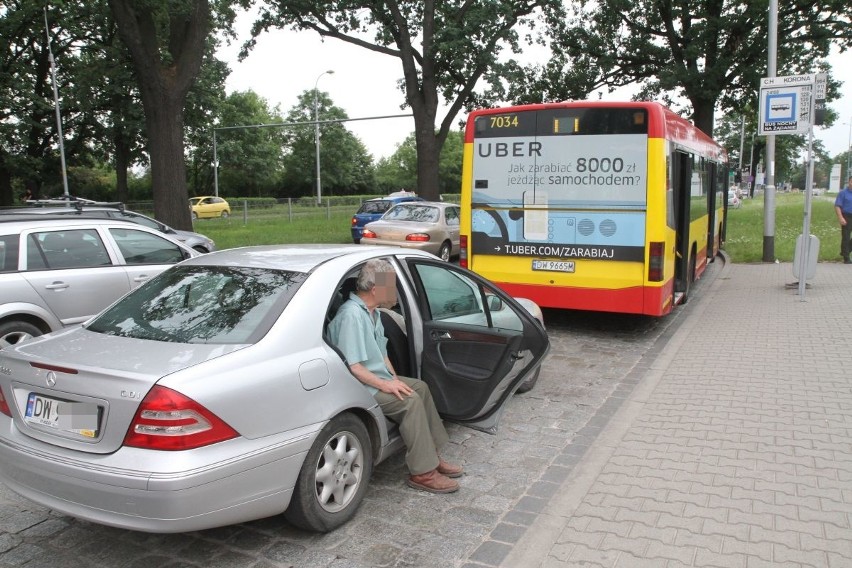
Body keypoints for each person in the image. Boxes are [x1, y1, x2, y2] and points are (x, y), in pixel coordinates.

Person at [328, 259, 463, 493]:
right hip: (357, 386)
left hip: (373, 378)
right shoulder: (352, 315)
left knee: (419, 387)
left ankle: (430, 454)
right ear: (375, 289)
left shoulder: (373, 313)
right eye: (389, 286)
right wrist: (386, 385)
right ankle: (423, 472)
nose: (393, 292)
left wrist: (394, 378)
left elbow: (382, 354)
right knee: (409, 402)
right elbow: (354, 368)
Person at [835, 176, 852, 264]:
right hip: (846, 216)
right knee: (846, 237)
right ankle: (846, 258)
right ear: (849, 182)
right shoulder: (843, 193)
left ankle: (845, 250)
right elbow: (837, 206)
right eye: (851, 181)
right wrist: (840, 217)